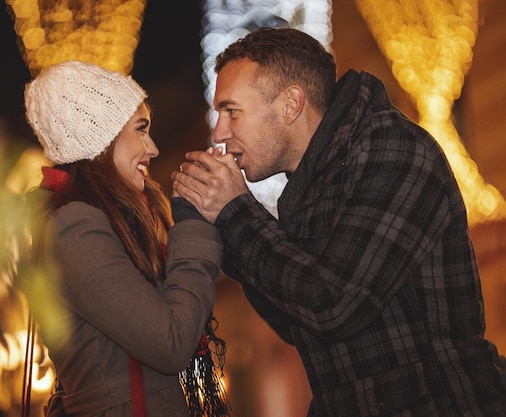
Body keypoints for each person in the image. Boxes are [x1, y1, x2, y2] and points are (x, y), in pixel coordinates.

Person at [172, 27, 506, 416]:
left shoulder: (392, 149)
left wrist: (234, 211)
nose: (219, 133)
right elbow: (294, 320)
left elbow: (332, 304)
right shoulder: (310, 183)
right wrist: (222, 222)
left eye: (232, 111)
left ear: (290, 104)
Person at [23, 61, 229, 417]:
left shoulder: (101, 218)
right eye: (141, 129)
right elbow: (170, 343)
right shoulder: (75, 225)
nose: (153, 148)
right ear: (102, 137)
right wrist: (193, 224)